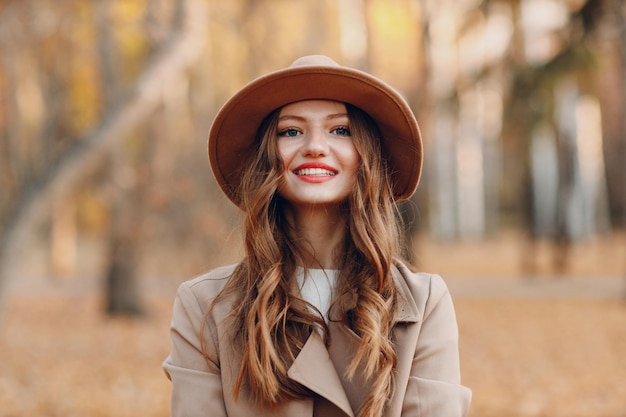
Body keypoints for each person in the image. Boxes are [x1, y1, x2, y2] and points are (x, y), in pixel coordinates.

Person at [163, 55, 471, 417]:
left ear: (366, 157)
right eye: (291, 131)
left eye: (340, 130)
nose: (314, 146)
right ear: (267, 159)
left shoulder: (422, 305)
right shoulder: (205, 307)